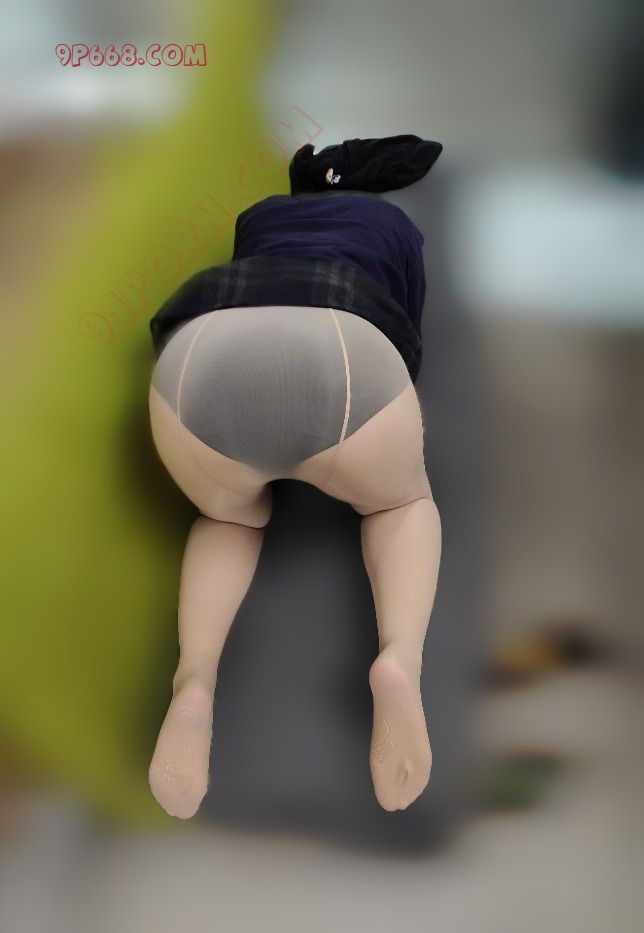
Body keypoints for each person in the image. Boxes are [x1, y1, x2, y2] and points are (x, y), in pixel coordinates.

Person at [147, 135, 443, 819]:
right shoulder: (394, 225)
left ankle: (194, 680)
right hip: (343, 353)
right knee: (401, 504)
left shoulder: (259, 215)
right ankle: (399, 658)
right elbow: (408, 339)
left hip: (198, 358)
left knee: (225, 516)